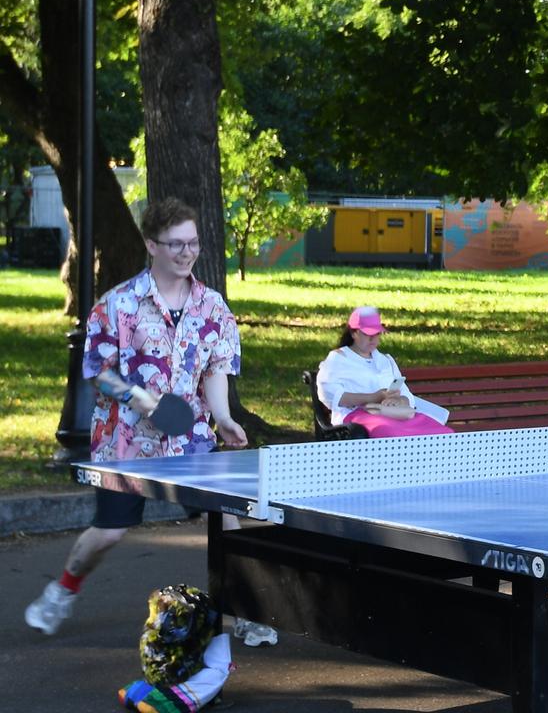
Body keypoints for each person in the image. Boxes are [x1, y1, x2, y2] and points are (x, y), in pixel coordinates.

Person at [24, 198, 277, 647]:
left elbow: (216, 367)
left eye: (193, 242)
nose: (186, 252)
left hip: (193, 440)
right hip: (126, 443)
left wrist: (222, 417)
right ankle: (63, 589)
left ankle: (242, 611)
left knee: (228, 519)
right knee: (109, 532)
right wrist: (142, 399)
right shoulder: (116, 304)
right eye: (175, 243)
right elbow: (99, 371)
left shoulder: (213, 307)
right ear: (151, 244)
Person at [315, 306, 453, 438]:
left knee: (441, 432)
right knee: (391, 433)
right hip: (358, 417)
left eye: (377, 334)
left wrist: (399, 400)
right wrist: (373, 397)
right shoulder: (338, 358)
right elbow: (329, 395)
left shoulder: (385, 360)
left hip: (393, 413)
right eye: (368, 334)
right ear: (354, 333)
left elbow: (405, 393)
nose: (373, 339)